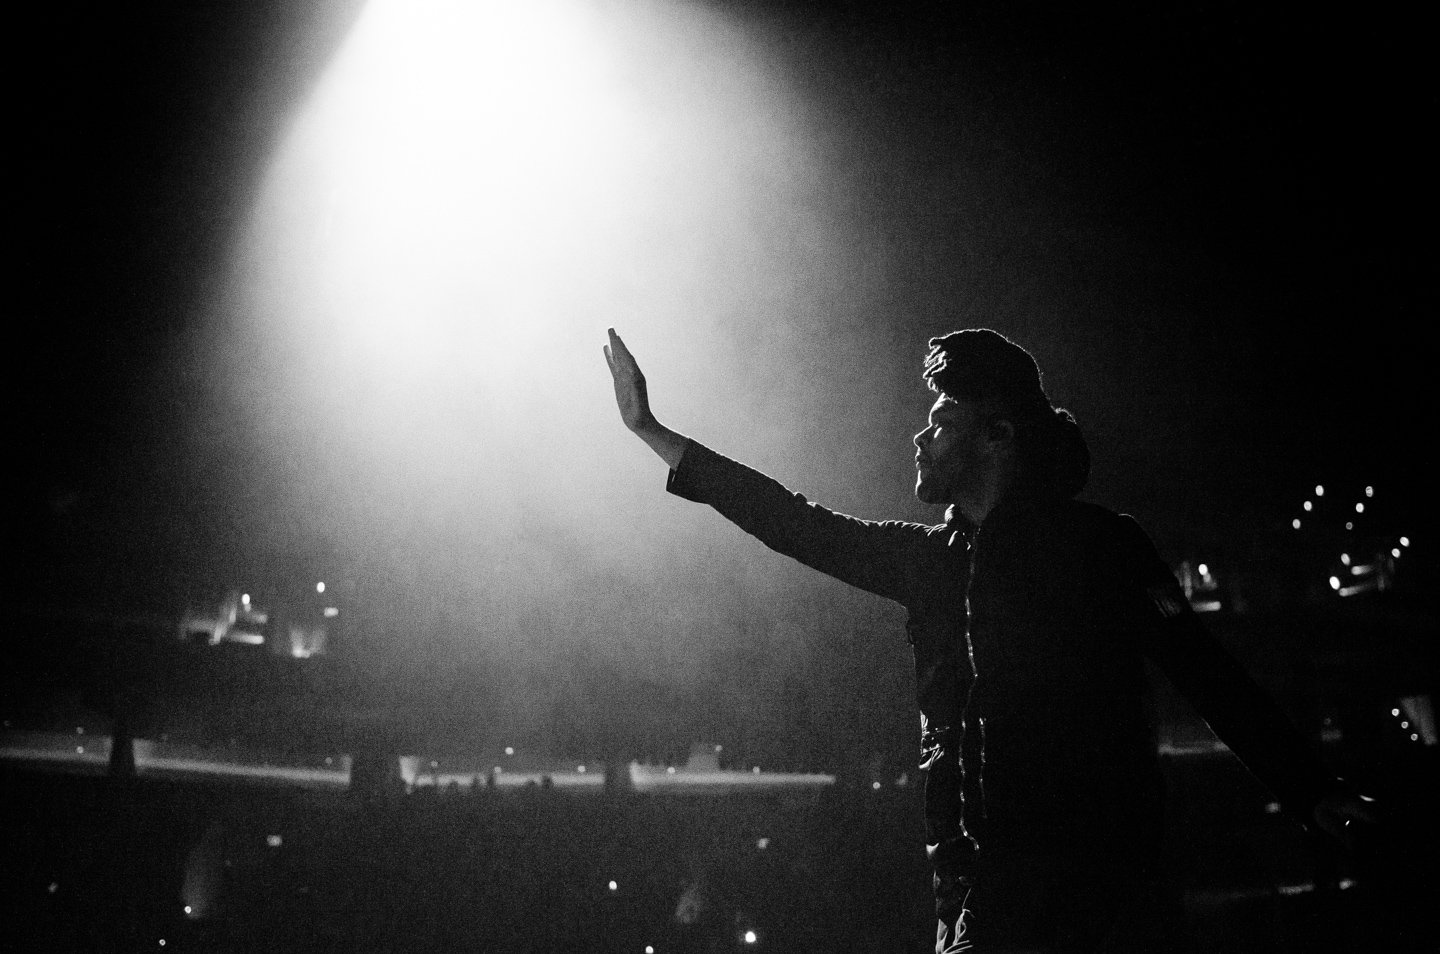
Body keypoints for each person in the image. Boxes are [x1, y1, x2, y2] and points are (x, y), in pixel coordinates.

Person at [602, 326, 1375, 952]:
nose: (919, 437)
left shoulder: (1103, 547)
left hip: (1103, 900)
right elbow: (791, 521)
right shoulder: (927, 562)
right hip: (978, 903)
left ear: (998, 435)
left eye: (941, 421)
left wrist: (1315, 793)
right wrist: (652, 432)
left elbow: (1210, 676)